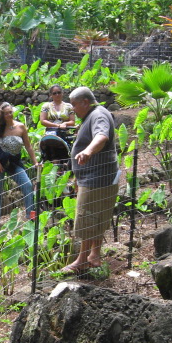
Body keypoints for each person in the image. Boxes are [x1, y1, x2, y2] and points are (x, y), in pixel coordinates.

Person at [61, 87, 119, 276]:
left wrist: (88, 151)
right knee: (97, 215)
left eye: (74, 105)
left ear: (85, 102)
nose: (73, 110)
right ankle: (94, 255)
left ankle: (82, 260)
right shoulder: (96, 113)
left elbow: (101, 136)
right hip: (94, 175)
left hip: (97, 176)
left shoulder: (98, 115)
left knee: (87, 215)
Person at [0, 102, 39, 226]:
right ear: (2, 115)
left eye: (11, 112)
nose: (9, 115)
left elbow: (29, 147)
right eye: (6, 113)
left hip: (14, 162)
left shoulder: (21, 127)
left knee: (27, 185)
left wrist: (35, 162)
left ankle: (30, 215)